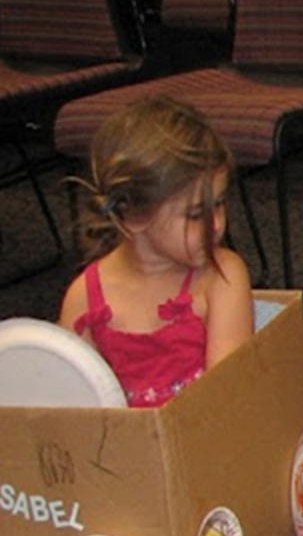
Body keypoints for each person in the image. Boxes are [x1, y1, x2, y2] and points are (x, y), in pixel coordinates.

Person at [58, 95, 254, 408]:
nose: (216, 224)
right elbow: (77, 407)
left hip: (205, 441)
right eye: (195, 214)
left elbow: (225, 400)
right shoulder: (83, 297)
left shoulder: (222, 276)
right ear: (135, 217)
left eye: (219, 204)